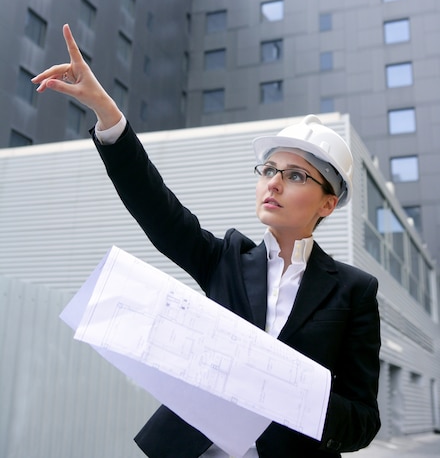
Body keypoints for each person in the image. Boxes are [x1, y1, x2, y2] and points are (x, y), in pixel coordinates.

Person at [33, 24, 381, 458]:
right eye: (269, 169)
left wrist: (291, 393)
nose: (273, 183)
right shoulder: (227, 259)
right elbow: (157, 210)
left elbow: (363, 421)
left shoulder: (354, 291)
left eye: (295, 176)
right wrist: (105, 111)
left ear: (327, 204)